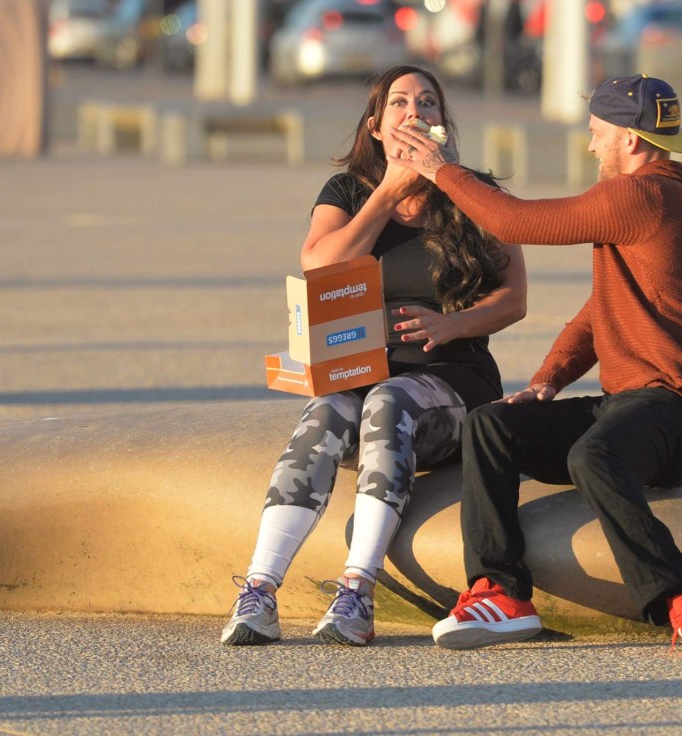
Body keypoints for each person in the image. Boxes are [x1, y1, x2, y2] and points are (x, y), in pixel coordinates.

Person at [391, 73, 682, 656]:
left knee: (592, 454)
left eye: (597, 133)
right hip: (628, 406)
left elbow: (515, 222)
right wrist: (546, 381)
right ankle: (501, 592)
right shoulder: (654, 196)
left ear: (630, 138)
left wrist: (441, 168)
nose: (592, 145)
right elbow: (597, 316)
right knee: (492, 425)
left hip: (676, 415)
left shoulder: (643, 195)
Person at [221, 65, 527, 647]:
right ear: (378, 127)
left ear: (443, 122)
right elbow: (321, 266)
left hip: (452, 386)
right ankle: (259, 589)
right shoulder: (348, 193)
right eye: (400, 104)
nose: (415, 113)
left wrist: (453, 322)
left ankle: (357, 591)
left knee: (390, 401)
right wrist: (388, 194)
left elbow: (515, 299)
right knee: (327, 410)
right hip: (362, 373)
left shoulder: (478, 195)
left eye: (428, 103)